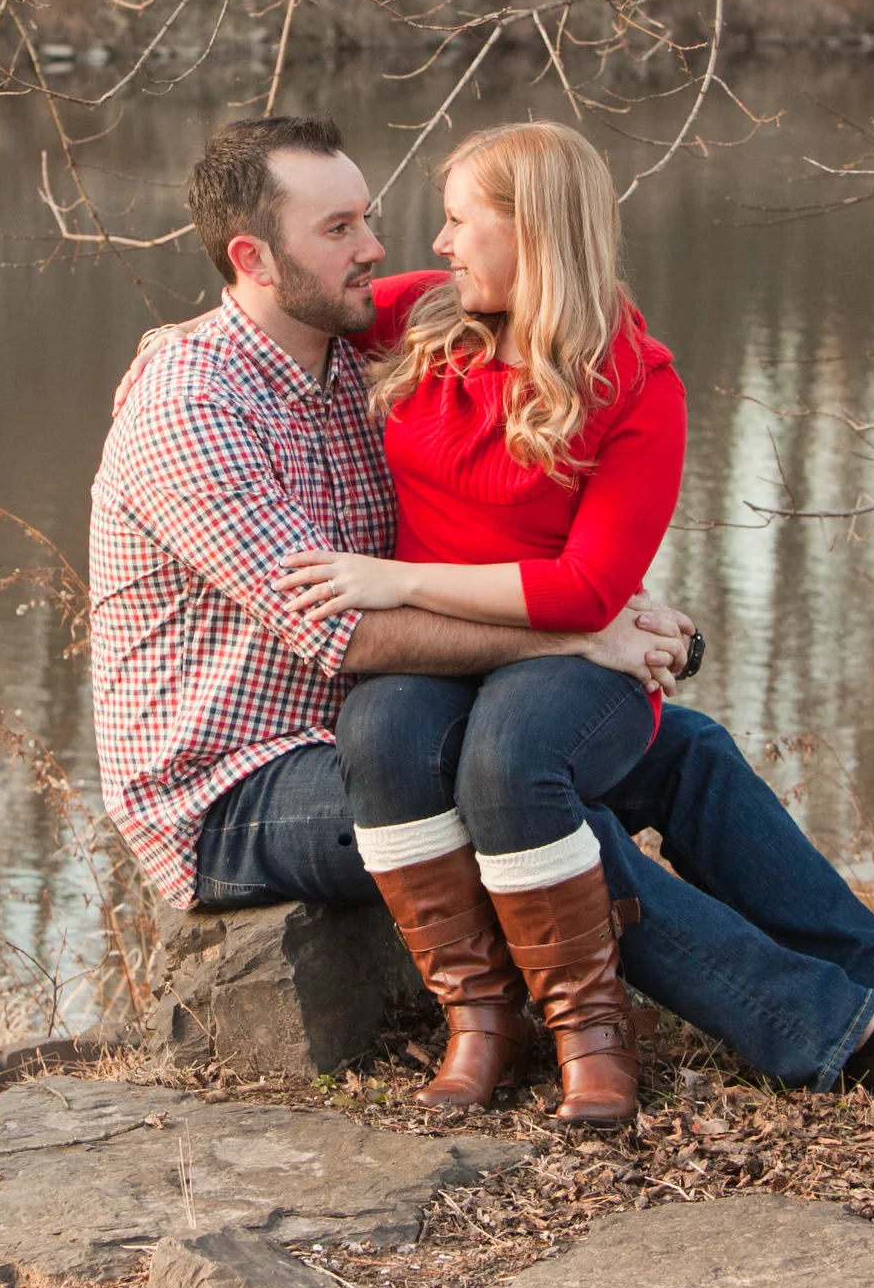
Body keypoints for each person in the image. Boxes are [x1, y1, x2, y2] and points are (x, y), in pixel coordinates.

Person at [89, 113, 874, 1110]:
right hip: (237, 784)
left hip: (385, 719)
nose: (378, 246)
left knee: (681, 752)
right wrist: (583, 629)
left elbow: (523, 440)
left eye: (369, 218)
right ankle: (839, 1034)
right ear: (254, 259)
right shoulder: (192, 407)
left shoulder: (358, 354)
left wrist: (613, 608)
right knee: (518, 794)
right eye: (339, 229)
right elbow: (353, 634)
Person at [270, 122, 682, 1119]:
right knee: (378, 731)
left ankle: (590, 1030)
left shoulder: (637, 381)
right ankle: (482, 1020)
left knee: (509, 754)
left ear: (531, 230)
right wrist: (180, 346)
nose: (438, 242)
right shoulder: (427, 313)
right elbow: (289, 298)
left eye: (460, 221)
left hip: (572, 659)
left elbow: (585, 593)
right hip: (443, 652)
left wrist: (399, 581)